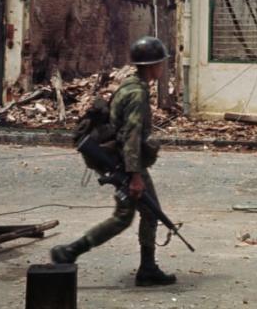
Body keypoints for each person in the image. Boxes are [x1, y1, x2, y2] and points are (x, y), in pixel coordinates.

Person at [50, 36, 176, 287]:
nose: (163, 66)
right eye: (161, 62)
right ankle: (71, 251)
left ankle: (147, 267)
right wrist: (136, 176)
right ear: (152, 65)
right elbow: (130, 136)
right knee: (129, 215)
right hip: (125, 163)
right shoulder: (137, 93)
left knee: (145, 213)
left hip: (120, 160)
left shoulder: (129, 84)